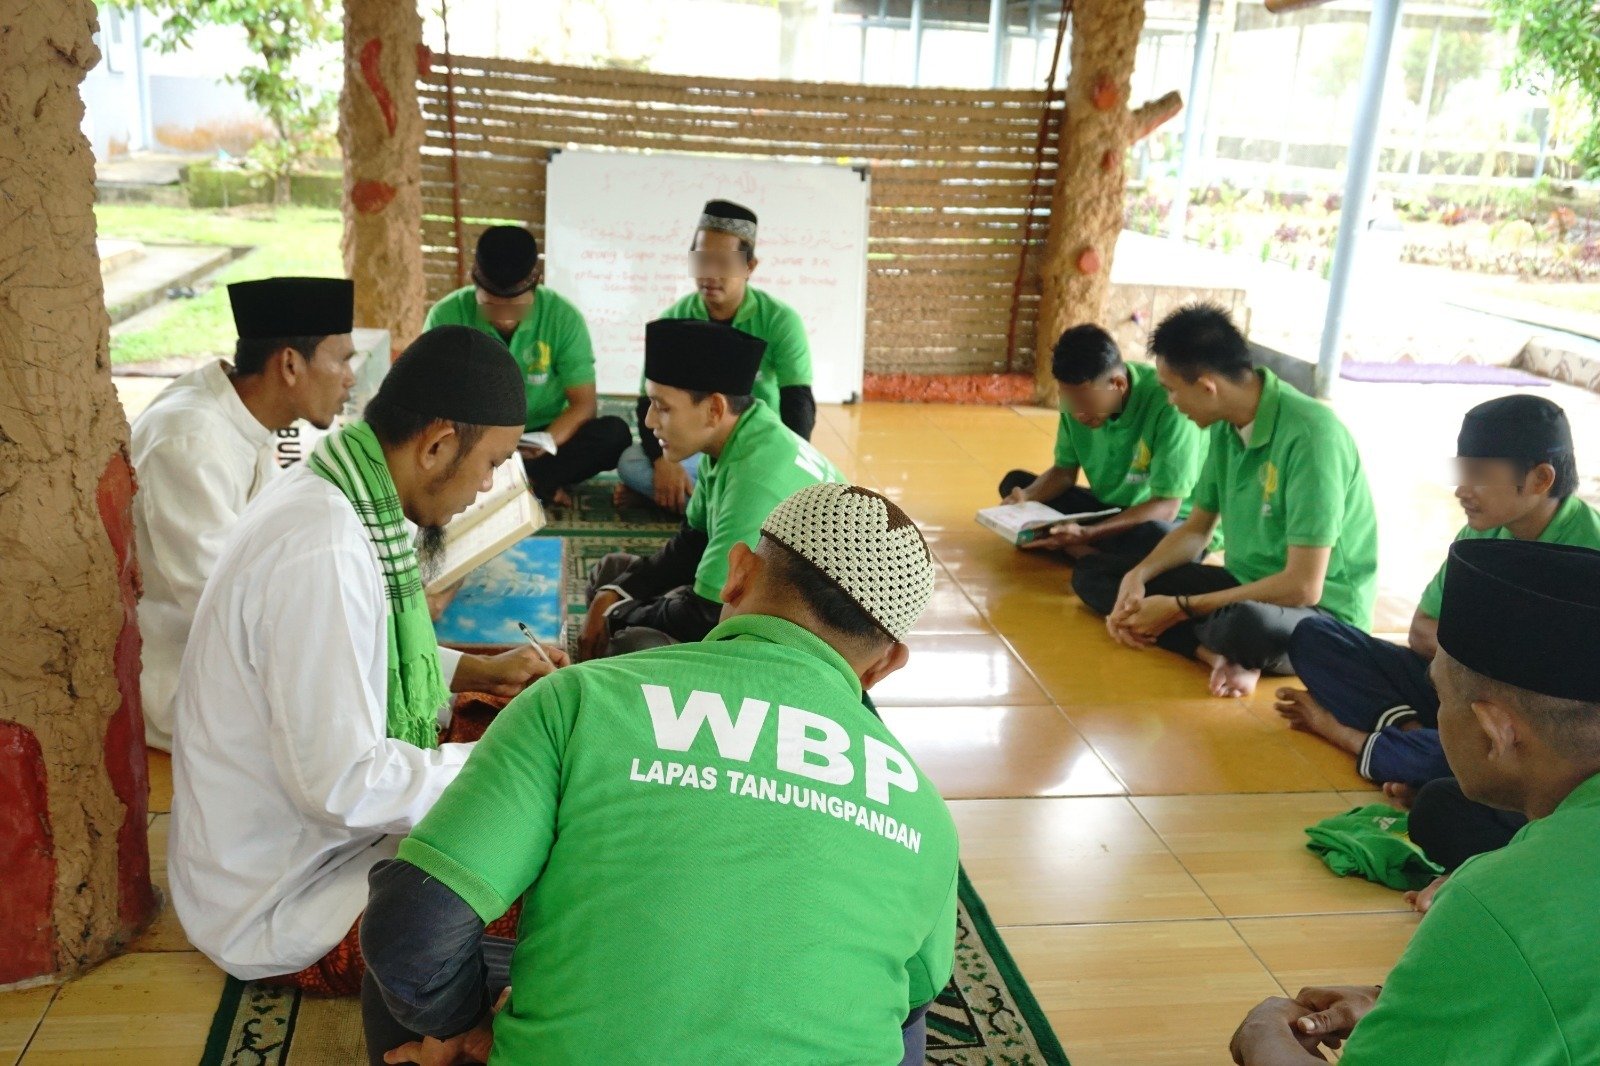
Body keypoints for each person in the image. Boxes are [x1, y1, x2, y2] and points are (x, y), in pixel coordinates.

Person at [361, 482, 958, 1066]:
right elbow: (910, 1000)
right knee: (902, 1014)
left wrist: (464, 1029)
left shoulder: (580, 699)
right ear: (886, 664)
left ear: (738, 571)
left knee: (411, 972)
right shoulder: (926, 810)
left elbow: (411, 929)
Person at [167, 325, 568, 993]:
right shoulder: (322, 549)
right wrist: (516, 766)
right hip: (284, 899)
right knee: (556, 860)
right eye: (492, 463)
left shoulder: (338, 484)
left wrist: (480, 671)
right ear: (438, 446)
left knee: (507, 714)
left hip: (295, 833)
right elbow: (342, 787)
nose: (488, 485)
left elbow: (360, 645)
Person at [1229, 539, 1600, 1066]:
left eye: (1442, 697)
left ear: (1494, 731)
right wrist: (1405, 1004)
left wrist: (1263, 1038)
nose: (1440, 715)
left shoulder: (1499, 901)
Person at [1275, 395, 1598, 793]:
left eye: (1479, 475)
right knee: (1314, 637)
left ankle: (1350, 736)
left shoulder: (1588, 555)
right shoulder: (1478, 535)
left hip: (1527, 727)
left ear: (1540, 479)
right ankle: (1416, 735)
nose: (1461, 491)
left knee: (1489, 778)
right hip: (1459, 694)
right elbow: (1422, 631)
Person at [1072, 305, 1378, 698]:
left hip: (1319, 616)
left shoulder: (1312, 437)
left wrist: (1182, 607)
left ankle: (1225, 646)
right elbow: (1196, 529)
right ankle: (1215, 657)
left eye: (1171, 389)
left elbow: (1304, 587)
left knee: (1244, 626)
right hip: (1245, 586)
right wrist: (1139, 576)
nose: (1170, 402)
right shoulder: (1224, 427)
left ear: (1206, 387)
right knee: (1097, 575)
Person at [131, 276, 358, 751]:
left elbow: (274, 557)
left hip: (237, 657)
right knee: (355, 723)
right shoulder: (191, 440)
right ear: (291, 364)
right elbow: (222, 606)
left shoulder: (240, 414)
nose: (350, 377)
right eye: (342, 359)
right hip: (189, 686)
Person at [581, 318, 843, 657]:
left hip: (807, 639)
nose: (648, 421)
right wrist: (615, 594)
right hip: (754, 596)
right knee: (612, 576)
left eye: (662, 407)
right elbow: (691, 543)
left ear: (714, 409)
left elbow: (703, 616)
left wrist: (614, 615)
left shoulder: (754, 478)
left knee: (633, 644)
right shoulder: (737, 434)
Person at [617, 199, 816, 512]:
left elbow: (798, 402)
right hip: (698, 443)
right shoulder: (675, 320)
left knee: (768, 479)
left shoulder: (779, 320)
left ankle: (683, 502)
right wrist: (663, 463)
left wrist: (786, 469)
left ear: (750, 267)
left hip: (755, 446)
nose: (709, 273)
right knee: (631, 463)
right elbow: (648, 401)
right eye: (702, 260)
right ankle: (729, 506)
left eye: (723, 263)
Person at [425, 225, 630, 505]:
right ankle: (531, 484)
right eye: (491, 307)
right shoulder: (445, 316)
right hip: (474, 437)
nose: (505, 319)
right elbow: (433, 399)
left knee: (613, 434)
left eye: (517, 307)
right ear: (474, 285)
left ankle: (525, 480)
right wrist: (485, 444)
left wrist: (546, 441)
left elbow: (583, 404)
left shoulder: (563, 317)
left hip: (542, 437)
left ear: (536, 286)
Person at [998, 322, 1213, 561]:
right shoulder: (1074, 402)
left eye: (1086, 402)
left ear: (1118, 384)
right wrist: (1026, 497)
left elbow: (1167, 506)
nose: (1078, 413)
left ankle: (1083, 552)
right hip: (1111, 510)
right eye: (1068, 400)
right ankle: (1094, 556)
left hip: (1171, 518)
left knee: (1158, 537)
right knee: (1015, 482)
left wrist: (1088, 533)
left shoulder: (1169, 405)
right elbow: (1064, 472)